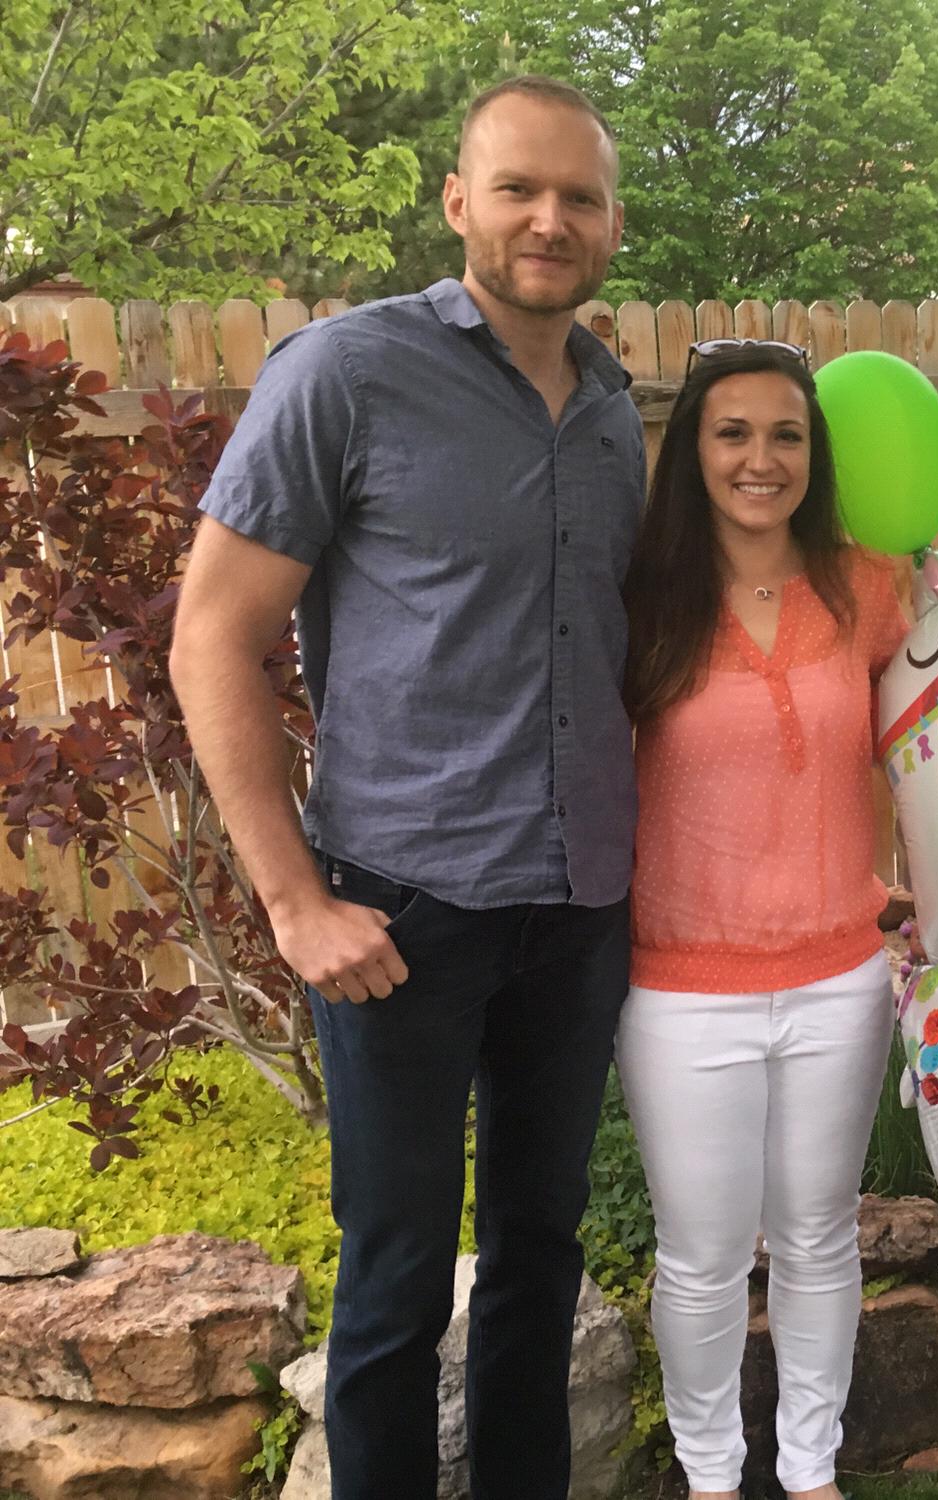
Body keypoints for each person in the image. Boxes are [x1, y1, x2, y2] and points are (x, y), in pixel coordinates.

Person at [168, 76, 639, 1500]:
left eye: (580, 196)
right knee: (393, 1284)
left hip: (578, 904)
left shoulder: (615, 404)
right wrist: (294, 900)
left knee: (541, 1259)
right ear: (457, 205)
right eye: (519, 189)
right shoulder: (345, 375)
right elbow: (212, 638)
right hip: (399, 914)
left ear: (613, 223)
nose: (549, 220)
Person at [616, 339, 907, 1500]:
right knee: (697, 1257)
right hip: (681, 986)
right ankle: (708, 1474)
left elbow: (928, 746)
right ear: (692, 450)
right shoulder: (640, 598)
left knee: (819, 1237)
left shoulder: (868, 585)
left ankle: (809, 1471)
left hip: (841, 971)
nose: (760, 457)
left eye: (786, 433)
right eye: (731, 432)